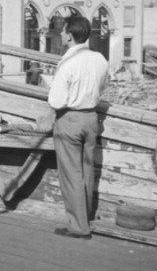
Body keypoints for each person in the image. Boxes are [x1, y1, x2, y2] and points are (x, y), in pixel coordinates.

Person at [48, 15, 109, 240]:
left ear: (70, 36)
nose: (61, 34)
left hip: (70, 121)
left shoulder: (67, 63)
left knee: (71, 173)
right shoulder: (100, 59)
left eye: (63, 31)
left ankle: (78, 226)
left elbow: (56, 101)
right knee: (86, 171)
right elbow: (104, 85)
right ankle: (86, 217)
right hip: (91, 118)